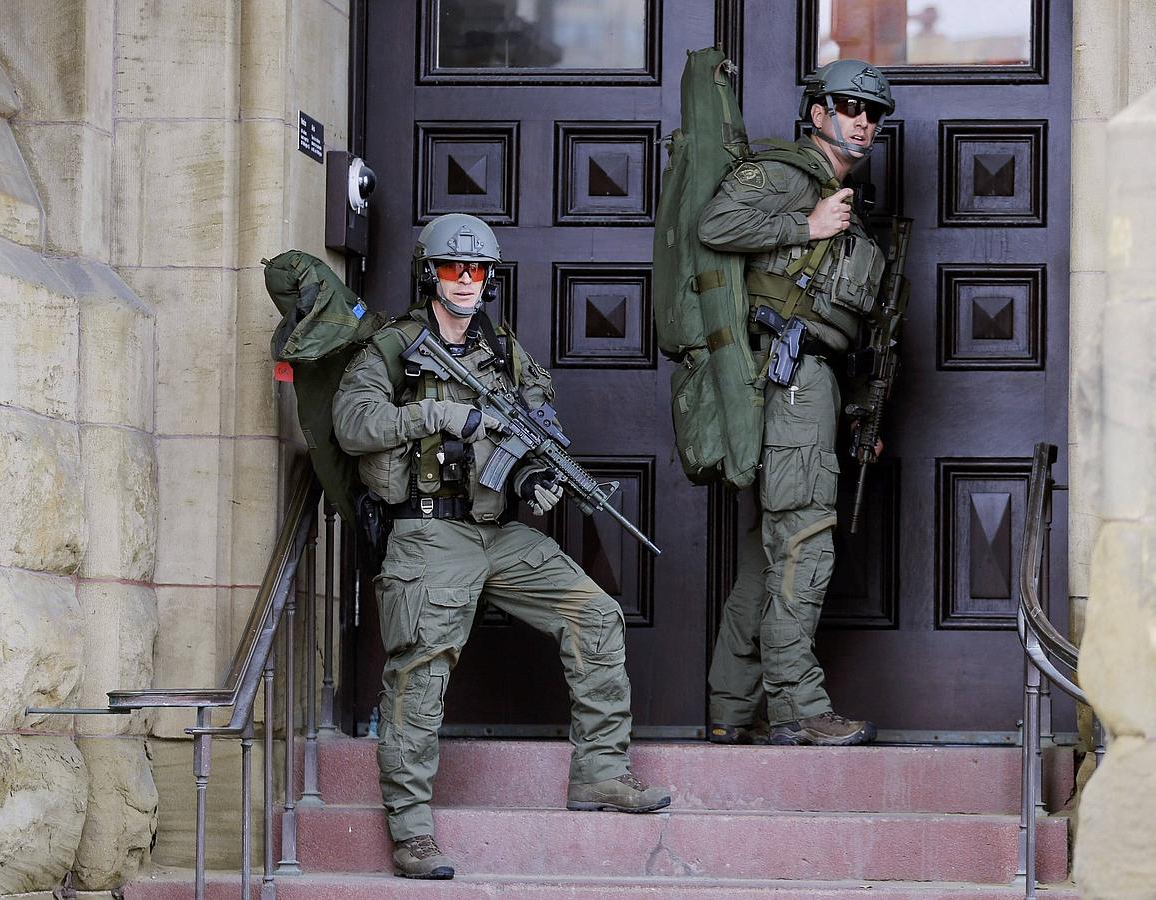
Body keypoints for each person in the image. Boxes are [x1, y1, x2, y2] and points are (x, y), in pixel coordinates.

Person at [333, 213, 671, 880]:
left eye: (478, 269)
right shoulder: (392, 348)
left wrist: (532, 478)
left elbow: (526, 431)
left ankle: (600, 773)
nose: (466, 279)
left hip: (497, 534)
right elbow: (353, 424)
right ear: (430, 272)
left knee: (595, 614)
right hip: (429, 533)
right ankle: (412, 830)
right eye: (453, 267)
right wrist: (437, 413)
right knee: (421, 672)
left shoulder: (502, 351)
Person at [697, 59, 895, 747]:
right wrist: (805, 225)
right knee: (803, 543)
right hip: (785, 377)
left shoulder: (844, 202)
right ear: (818, 113)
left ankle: (730, 705)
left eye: (874, 113)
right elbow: (717, 223)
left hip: (813, 383)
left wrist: (856, 414)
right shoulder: (788, 176)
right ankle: (798, 708)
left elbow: (840, 323)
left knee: (771, 550)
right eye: (849, 107)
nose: (863, 121)